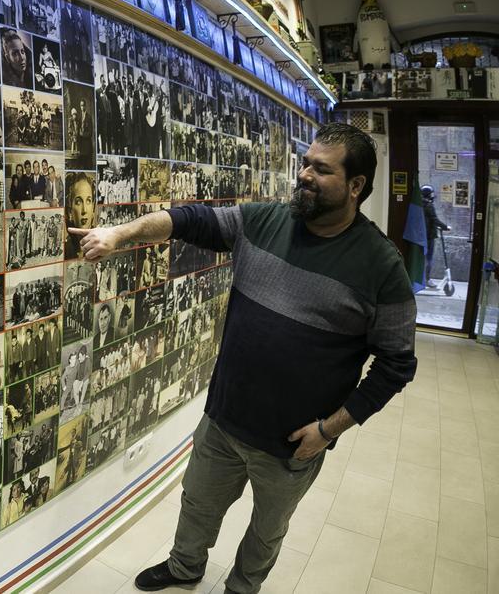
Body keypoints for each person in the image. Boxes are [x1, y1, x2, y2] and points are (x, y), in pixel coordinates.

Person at [71, 124, 417, 594]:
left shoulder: (381, 266)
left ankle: (242, 587)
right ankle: (183, 568)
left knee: (266, 529)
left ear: (356, 186)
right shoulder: (264, 222)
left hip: (294, 443)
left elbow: (397, 364)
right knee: (197, 504)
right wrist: (120, 233)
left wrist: (328, 430)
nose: (304, 175)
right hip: (224, 419)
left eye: (321, 169)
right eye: (305, 162)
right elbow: (190, 219)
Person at [420, 185, 450, 281]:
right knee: (429, 258)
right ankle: (427, 279)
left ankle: (422, 278)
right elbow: (434, 219)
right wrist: (445, 227)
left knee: (422, 258)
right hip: (429, 236)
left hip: (421, 235)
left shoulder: (420, 204)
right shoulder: (428, 205)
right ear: (428, 195)